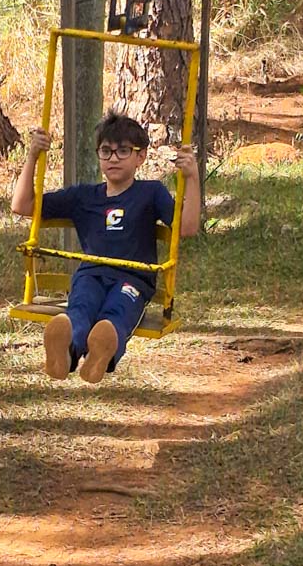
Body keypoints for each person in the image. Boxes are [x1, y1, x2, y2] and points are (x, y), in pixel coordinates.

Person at [11, 112, 201, 383]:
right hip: (91, 275)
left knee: (118, 312)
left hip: (133, 279)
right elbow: (22, 205)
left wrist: (192, 177)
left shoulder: (151, 192)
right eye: (106, 151)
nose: (113, 158)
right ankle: (65, 350)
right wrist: (32, 157)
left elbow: (187, 228)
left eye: (123, 151)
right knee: (80, 308)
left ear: (141, 156)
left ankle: (101, 348)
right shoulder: (83, 196)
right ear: (98, 155)